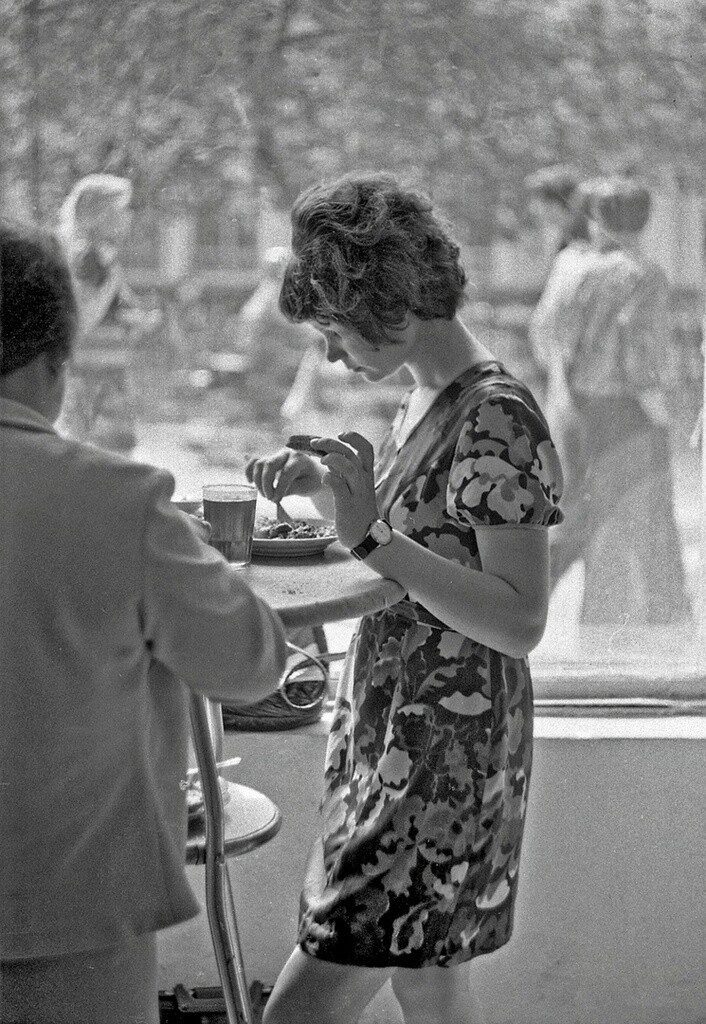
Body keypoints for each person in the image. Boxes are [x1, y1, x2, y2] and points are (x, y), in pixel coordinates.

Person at [245, 173, 564, 1024]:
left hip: (439, 762)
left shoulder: (498, 417)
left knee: (300, 1012)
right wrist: (329, 493)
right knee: (429, 981)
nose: (331, 355)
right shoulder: (429, 400)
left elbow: (519, 617)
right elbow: (417, 552)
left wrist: (370, 534)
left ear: (386, 300)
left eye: (334, 328)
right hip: (404, 737)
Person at [0, 220, 287, 1024]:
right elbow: (252, 664)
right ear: (57, 362)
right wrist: (190, 560)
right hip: (75, 907)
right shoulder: (117, 502)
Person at [529, 171, 692, 625]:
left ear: (594, 218)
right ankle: (657, 631)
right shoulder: (644, 274)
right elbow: (642, 356)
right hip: (628, 412)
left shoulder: (569, 266)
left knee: (580, 515)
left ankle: (525, 605)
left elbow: (545, 335)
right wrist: (665, 410)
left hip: (575, 408)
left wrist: (565, 386)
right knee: (645, 524)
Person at [54, 173, 161, 452]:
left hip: (106, 371)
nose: (128, 216)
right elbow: (82, 317)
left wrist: (138, 319)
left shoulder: (103, 256)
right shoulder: (86, 257)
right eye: (121, 208)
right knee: (108, 456)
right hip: (91, 375)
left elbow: (116, 312)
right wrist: (112, 283)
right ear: (99, 214)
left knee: (102, 454)